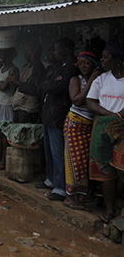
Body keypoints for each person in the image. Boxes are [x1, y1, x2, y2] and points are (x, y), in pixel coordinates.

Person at [36, 38, 79, 202]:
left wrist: (50, 84)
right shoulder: (58, 68)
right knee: (49, 151)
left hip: (58, 115)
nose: (54, 53)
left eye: (56, 49)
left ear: (66, 50)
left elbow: (57, 87)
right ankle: (51, 180)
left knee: (58, 152)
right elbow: (44, 84)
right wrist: (50, 84)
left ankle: (61, 187)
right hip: (49, 114)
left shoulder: (71, 68)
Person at [86, 42, 124, 224]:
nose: (102, 60)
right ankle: (109, 210)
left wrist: (118, 118)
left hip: (122, 130)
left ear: (117, 60)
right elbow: (90, 102)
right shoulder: (101, 79)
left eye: (106, 56)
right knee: (104, 169)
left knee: (121, 167)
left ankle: (120, 207)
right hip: (102, 128)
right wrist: (113, 116)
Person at [62, 50, 101, 212]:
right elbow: (76, 100)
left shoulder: (99, 81)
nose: (83, 66)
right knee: (74, 162)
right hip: (75, 124)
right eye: (81, 63)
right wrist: (91, 80)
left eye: (87, 63)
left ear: (94, 65)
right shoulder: (75, 80)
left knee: (85, 162)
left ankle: (82, 195)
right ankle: (69, 197)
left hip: (90, 125)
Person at [8, 42, 47, 123]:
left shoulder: (38, 68)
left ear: (33, 53)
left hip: (28, 109)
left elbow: (36, 89)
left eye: (27, 52)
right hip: (19, 106)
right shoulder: (27, 65)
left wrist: (18, 83)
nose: (24, 54)